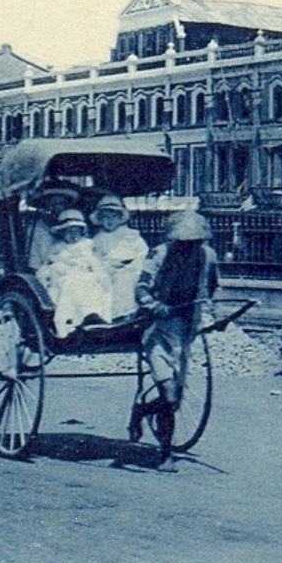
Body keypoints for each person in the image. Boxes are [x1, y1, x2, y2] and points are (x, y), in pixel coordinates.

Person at [131, 210, 220, 462]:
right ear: (173, 241)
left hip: (185, 330)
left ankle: (141, 410)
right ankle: (165, 453)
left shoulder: (207, 257)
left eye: (195, 242)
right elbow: (141, 287)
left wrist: (216, 314)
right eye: (183, 243)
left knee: (175, 399)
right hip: (156, 329)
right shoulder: (158, 254)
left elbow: (213, 289)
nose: (189, 248)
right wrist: (154, 305)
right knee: (169, 395)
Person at [36, 209, 112, 337]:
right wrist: (52, 271)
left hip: (86, 279)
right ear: (62, 233)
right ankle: (73, 323)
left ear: (82, 232)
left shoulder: (87, 248)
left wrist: (101, 277)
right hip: (62, 281)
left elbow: (96, 266)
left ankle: (93, 317)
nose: (73, 235)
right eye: (68, 231)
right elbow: (46, 269)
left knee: (95, 285)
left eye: (76, 231)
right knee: (69, 282)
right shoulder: (57, 249)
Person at [90, 193, 147, 321]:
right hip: (105, 271)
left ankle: (126, 315)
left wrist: (132, 267)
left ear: (120, 218)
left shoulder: (130, 236)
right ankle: (105, 317)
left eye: (114, 217)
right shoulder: (96, 240)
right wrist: (105, 267)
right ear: (100, 219)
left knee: (124, 280)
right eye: (105, 217)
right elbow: (93, 259)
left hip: (130, 270)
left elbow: (142, 253)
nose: (110, 221)